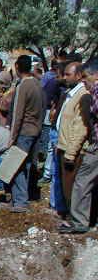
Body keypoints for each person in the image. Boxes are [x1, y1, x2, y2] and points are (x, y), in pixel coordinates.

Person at [0, 55, 44, 213]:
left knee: (16, 166)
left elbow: (17, 113)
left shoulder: (23, 86)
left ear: (17, 67)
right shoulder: (37, 84)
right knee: (24, 166)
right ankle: (17, 198)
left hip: (23, 132)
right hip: (35, 131)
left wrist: (11, 137)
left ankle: (20, 201)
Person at [60, 60, 98, 233]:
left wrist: (71, 152)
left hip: (94, 146)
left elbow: (82, 126)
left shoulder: (91, 94)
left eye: (86, 77)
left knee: (82, 183)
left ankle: (80, 222)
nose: (85, 81)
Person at [51, 61, 89, 214]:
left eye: (68, 74)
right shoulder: (70, 93)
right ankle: (67, 214)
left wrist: (71, 153)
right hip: (62, 146)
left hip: (71, 150)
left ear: (79, 76)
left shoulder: (82, 95)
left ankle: (75, 219)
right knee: (65, 186)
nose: (65, 78)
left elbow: (80, 128)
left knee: (72, 188)